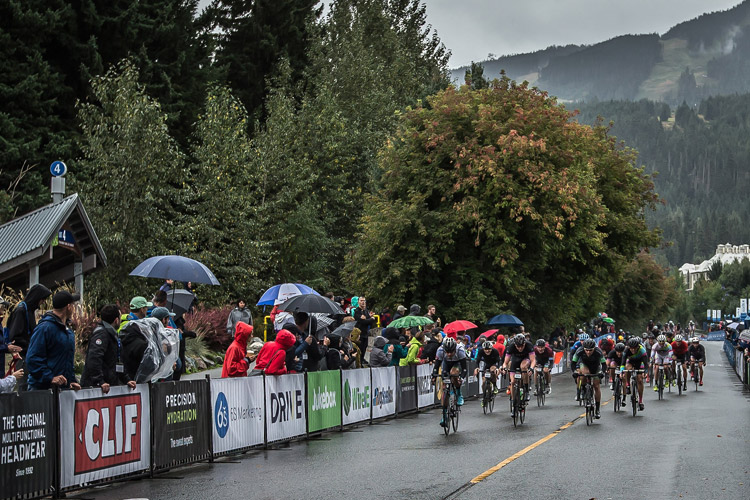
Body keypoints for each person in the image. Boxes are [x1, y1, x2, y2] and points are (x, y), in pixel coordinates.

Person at [25, 291, 81, 391]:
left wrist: (71, 380)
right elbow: (32, 358)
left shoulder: (67, 329)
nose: (74, 308)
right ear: (68, 307)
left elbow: (67, 359)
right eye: (73, 305)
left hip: (61, 389)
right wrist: (50, 377)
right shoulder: (44, 328)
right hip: (42, 389)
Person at [6, 284, 52, 390]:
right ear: (37, 297)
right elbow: (14, 336)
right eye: (43, 299)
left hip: (29, 354)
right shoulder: (21, 311)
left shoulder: (29, 311)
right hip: (23, 356)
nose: (44, 302)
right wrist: (31, 344)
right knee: (24, 386)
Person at [81, 304, 136, 392]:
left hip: (109, 384)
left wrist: (126, 379)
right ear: (116, 320)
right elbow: (94, 358)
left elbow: (117, 360)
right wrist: (99, 381)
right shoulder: (102, 334)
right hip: (96, 388)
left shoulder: (112, 334)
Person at [431, 337, 468, 427]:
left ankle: (459, 394)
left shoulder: (460, 350)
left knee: (454, 373)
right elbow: (436, 365)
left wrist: (461, 378)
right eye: (447, 352)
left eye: (451, 352)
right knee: (444, 387)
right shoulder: (440, 350)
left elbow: (464, 369)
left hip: (457, 363)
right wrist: (434, 376)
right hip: (446, 364)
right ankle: (444, 415)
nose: (449, 354)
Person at [571, 339, 606, 419]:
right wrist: (575, 371)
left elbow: (604, 364)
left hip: (596, 366)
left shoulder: (598, 351)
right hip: (585, 365)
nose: (588, 352)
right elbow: (573, 362)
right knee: (583, 375)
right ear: (584, 348)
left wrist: (602, 372)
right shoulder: (579, 350)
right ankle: (583, 389)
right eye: (586, 350)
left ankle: (597, 409)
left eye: (590, 350)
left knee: (596, 386)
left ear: (594, 348)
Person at [502, 334, 536, 406]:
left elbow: (533, 360)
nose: (520, 348)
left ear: (524, 343)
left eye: (521, 346)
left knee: (523, 367)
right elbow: (505, 362)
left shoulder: (529, 345)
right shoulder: (511, 346)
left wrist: (531, 368)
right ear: (515, 344)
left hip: (525, 359)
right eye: (518, 346)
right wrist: (504, 368)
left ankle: (526, 391)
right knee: (513, 382)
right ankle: (513, 400)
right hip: (515, 360)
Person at [621, 337, 649, 410]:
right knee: (627, 369)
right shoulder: (626, 350)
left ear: (638, 346)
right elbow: (623, 362)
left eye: (634, 348)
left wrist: (645, 372)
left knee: (639, 379)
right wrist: (622, 371)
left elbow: (646, 364)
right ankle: (627, 385)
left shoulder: (642, 350)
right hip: (630, 362)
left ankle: (640, 401)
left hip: (639, 363)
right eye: (631, 348)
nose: (633, 350)